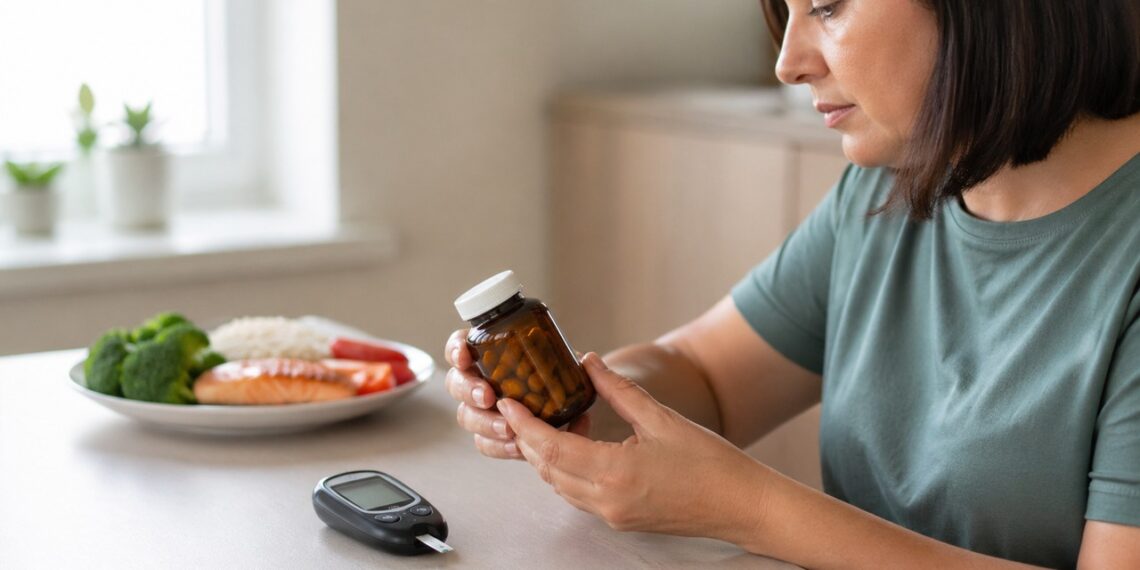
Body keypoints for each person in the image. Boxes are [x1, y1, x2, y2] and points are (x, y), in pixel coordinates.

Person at [444, 0, 1140, 567]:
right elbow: (707, 375)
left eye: (829, 8)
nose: (788, 63)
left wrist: (748, 508)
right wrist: (577, 398)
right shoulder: (884, 193)